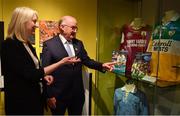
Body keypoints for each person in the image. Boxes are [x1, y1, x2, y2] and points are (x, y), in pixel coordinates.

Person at [1, 7, 80, 115]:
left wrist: (43, 77)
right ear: (22, 22)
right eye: (34, 21)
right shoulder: (9, 45)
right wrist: (61, 63)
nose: (37, 25)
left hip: (34, 102)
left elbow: (28, 71)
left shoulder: (26, 44)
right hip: (22, 105)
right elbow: (30, 74)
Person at [42, 15, 114, 115]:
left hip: (77, 95)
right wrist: (49, 95)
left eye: (76, 28)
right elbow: (45, 72)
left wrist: (102, 65)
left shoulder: (79, 44)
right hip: (58, 96)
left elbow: (87, 61)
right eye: (73, 27)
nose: (75, 31)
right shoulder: (49, 45)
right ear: (62, 27)